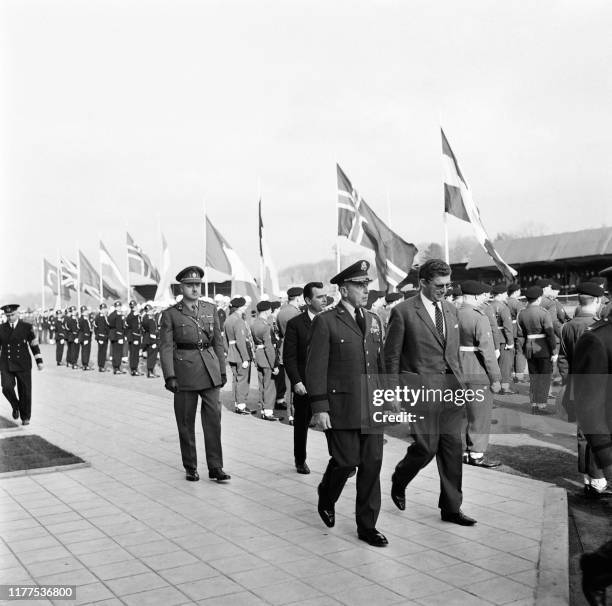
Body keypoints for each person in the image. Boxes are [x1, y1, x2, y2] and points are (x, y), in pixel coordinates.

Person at [385, 259, 476, 526]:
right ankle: (400, 477)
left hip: (451, 391)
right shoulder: (403, 312)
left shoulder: (450, 309)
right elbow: (390, 357)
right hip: (420, 390)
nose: (444, 290)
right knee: (426, 447)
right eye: (439, 285)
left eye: (448, 285)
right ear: (422, 282)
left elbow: (453, 352)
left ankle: (451, 508)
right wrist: (392, 393)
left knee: (452, 448)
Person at [306, 260, 388, 547]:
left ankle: (367, 526)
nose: (366, 290)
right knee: (346, 461)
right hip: (340, 406)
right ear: (343, 289)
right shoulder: (326, 322)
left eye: (367, 284)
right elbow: (315, 367)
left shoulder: (375, 320)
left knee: (372, 464)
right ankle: (326, 494)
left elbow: (379, 364)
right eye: (359, 285)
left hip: (371, 405)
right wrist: (319, 407)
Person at [160, 266, 230, 483]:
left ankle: (215, 467)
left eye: (197, 285)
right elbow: (166, 347)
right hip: (184, 372)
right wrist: (170, 376)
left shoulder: (210, 309)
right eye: (190, 285)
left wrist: (221, 369)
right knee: (186, 421)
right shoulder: (171, 314)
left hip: (209, 370)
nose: (195, 288)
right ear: (181, 287)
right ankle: (191, 466)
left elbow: (218, 341)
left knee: (213, 421)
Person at [573, 289, 612, 604]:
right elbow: (589, 406)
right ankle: (599, 567)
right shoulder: (598, 340)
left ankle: (599, 566)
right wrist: (607, 459)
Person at [558, 282, 611, 498]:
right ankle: (597, 477)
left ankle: (590, 476)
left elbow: (563, 359)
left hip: (576, 383)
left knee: (583, 434)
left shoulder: (569, 326)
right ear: (598, 301)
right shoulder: (596, 328)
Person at [284, 281, 327, 474]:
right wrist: (296, 381)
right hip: (305, 385)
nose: (324, 299)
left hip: (327, 384)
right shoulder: (296, 324)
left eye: (324, 296)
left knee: (332, 424)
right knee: (302, 425)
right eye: (319, 296)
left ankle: (341, 458)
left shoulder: (330, 320)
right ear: (308, 300)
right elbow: (289, 357)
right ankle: (300, 460)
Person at [458, 281, 502, 468]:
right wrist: (496, 378)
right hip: (477, 371)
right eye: (484, 295)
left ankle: (462, 450)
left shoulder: (452, 313)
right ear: (475, 296)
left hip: (457, 369)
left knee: (462, 414)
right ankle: (476, 454)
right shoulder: (479, 317)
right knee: (480, 415)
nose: (486, 298)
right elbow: (488, 353)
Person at [0, 304, 43, 425]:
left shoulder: (26, 327)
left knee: (25, 391)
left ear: (17, 313)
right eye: (7, 315)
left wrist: (39, 361)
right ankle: (16, 405)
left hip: (23, 363)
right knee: (6, 387)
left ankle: (25, 417)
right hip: (6, 363)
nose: (10, 317)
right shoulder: (1, 328)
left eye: (12, 315)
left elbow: (34, 344)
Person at [517, 286, 557, 414]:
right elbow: (550, 334)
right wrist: (554, 351)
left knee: (534, 377)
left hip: (529, 347)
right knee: (544, 378)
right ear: (539, 298)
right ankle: (541, 406)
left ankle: (534, 404)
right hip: (543, 348)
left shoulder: (522, 313)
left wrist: (524, 349)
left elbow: (520, 335)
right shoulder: (543, 312)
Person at [251, 301, 280, 421]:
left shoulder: (254, 323)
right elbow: (269, 347)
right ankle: (268, 411)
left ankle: (263, 409)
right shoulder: (265, 326)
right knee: (270, 385)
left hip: (259, 355)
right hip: (267, 358)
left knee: (262, 384)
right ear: (267, 310)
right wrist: (275, 365)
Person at [276, 287, 303, 411]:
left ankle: (291, 414)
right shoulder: (296, 313)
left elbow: (279, 332)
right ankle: (294, 413)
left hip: (284, 348)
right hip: (296, 350)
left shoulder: (281, 311)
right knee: (295, 382)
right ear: (297, 298)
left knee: (288, 382)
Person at [224, 297, 253, 415]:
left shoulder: (228, 320)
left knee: (236, 379)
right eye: (244, 306)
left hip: (232, 352)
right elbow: (241, 341)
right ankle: (241, 405)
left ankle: (237, 403)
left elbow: (224, 340)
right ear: (240, 308)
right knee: (242, 380)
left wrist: (228, 352)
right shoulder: (238, 320)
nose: (245, 308)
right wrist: (245, 357)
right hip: (240, 354)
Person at [490, 283, 515, 394]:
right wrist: (510, 341)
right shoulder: (504, 307)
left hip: (492, 338)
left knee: (494, 363)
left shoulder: (488, 305)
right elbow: (508, 326)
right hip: (503, 339)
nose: (506, 296)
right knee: (505, 365)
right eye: (505, 294)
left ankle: (495, 386)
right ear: (500, 294)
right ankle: (504, 387)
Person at [506, 283, 526, 383]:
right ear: (517, 291)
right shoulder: (517, 303)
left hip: (506, 330)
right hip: (517, 329)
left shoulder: (504, 301)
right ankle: (519, 375)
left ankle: (510, 374)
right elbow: (521, 317)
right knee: (520, 353)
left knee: (509, 353)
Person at [141, 304, 160, 378]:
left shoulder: (144, 317)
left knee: (150, 356)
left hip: (146, 338)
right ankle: (150, 372)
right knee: (152, 357)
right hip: (151, 340)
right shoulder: (151, 320)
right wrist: (154, 342)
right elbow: (152, 333)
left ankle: (150, 371)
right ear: (150, 311)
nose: (153, 311)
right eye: (152, 310)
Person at [108, 301, 126, 375]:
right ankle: (116, 368)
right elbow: (117, 326)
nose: (119, 308)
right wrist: (120, 337)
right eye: (118, 307)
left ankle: (116, 367)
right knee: (117, 352)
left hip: (115, 335)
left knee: (116, 352)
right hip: (117, 336)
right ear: (115, 307)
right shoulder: (116, 315)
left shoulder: (114, 315)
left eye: (119, 306)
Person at [125, 300, 142, 376]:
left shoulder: (136, 315)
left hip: (136, 336)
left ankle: (135, 368)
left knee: (135, 354)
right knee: (134, 354)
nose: (135, 307)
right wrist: (135, 338)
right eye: (134, 306)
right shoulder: (132, 315)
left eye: (135, 306)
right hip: (134, 337)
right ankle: (133, 369)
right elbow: (133, 327)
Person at [94, 303, 110, 372]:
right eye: (103, 309)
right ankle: (101, 366)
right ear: (100, 309)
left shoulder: (105, 317)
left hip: (105, 337)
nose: (104, 310)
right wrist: (99, 337)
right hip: (101, 337)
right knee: (101, 352)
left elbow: (107, 327)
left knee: (104, 352)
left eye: (105, 309)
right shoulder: (98, 317)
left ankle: (102, 365)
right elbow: (96, 328)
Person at [78, 305, 93, 370]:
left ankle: (85, 364)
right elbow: (83, 330)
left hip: (87, 337)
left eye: (86, 311)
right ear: (82, 312)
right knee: (85, 351)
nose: (86, 312)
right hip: (85, 338)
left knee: (86, 351)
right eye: (84, 311)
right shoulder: (82, 319)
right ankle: (85, 365)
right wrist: (86, 338)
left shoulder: (85, 318)